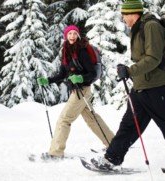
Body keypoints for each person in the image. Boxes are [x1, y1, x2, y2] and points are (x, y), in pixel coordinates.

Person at [92, 0, 165, 172]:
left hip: (157, 86)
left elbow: (153, 58)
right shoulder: (139, 28)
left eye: (125, 14)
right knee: (129, 125)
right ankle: (112, 158)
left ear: (134, 13)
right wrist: (129, 70)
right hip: (142, 86)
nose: (123, 17)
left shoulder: (151, 27)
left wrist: (130, 70)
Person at [37, 25, 114, 159]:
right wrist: (48, 80)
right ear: (66, 36)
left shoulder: (82, 51)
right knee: (92, 119)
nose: (72, 36)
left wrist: (80, 78)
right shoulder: (66, 51)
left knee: (64, 119)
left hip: (81, 90)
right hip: (78, 91)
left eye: (74, 33)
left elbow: (92, 73)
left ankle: (56, 152)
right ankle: (113, 143)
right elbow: (62, 74)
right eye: (69, 34)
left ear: (78, 35)